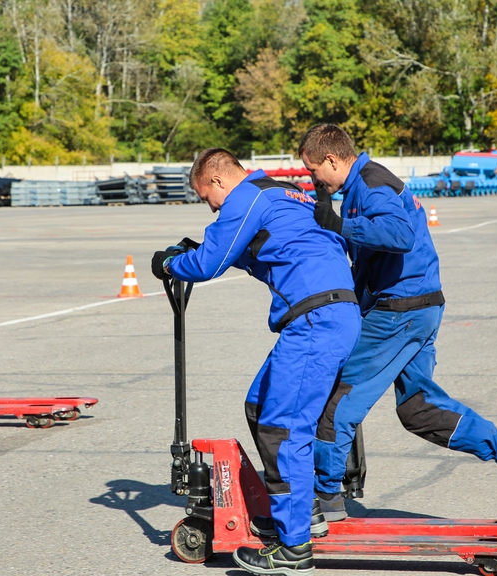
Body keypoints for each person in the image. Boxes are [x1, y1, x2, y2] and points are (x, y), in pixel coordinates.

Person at [298, 124, 497, 523]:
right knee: (418, 409)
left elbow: (397, 236)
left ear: (331, 160)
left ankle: (324, 501)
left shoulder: (373, 183)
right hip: (419, 308)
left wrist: (338, 224)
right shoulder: (364, 186)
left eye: (313, 171)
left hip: (400, 312)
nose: (314, 180)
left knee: (337, 404)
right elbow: (372, 259)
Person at [151, 148, 361, 576]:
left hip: (315, 321)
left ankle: (294, 547)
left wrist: (173, 262)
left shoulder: (247, 198)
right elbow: (257, 250)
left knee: (280, 429)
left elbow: (209, 264)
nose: (208, 205)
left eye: (205, 195)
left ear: (219, 182)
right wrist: (203, 247)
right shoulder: (284, 193)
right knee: (260, 406)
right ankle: (300, 512)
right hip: (333, 314)